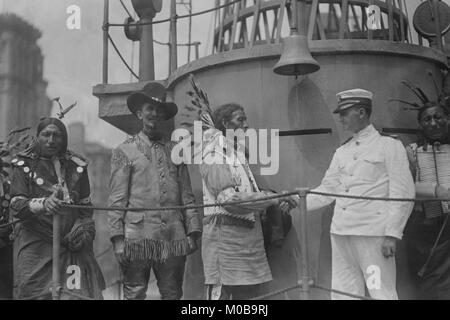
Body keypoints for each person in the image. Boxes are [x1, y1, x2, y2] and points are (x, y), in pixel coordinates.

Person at [305, 89, 415, 300]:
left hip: (372, 236)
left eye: (345, 113)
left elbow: (403, 192)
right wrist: (296, 201)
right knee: (343, 293)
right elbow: (328, 189)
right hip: (341, 234)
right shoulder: (342, 152)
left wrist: (392, 234)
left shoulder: (389, 146)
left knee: (380, 291)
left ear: (362, 112)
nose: (341, 118)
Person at [107, 82, 202, 300]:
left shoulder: (175, 151)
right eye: (150, 109)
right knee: (135, 292)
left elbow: (186, 195)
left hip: (173, 236)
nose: (155, 114)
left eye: (159, 110)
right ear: (140, 113)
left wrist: (192, 232)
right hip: (137, 238)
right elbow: (116, 200)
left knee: (173, 293)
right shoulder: (124, 150)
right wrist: (118, 240)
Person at [199, 103, 296, 300]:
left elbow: (244, 193)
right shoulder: (214, 154)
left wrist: (272, 197)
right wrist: (273, 198)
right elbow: (229, 200)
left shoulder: (236, 153)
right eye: (240, 120)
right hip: (224, 243)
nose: (246, 124)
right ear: (225, 123)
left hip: (246, 243)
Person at [9, 117, 105, 300]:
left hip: (71, 245)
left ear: (64, 139)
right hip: (35, 245)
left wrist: (82, 229)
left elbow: (85, 208)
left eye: (57, 135)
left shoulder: (77, 167)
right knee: (33, 294)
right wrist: (44, 204)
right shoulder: (23, 165)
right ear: (37, 137)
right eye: (46, 134)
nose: (51, 140)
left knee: (76, 296)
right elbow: (16, 205)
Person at [398, 82, 450, 299]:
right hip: (426, 229)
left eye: (438, 117)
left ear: (447, 120)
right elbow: (403, 188)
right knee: (431, 281)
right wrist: (437, 191)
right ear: (420, 125)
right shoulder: (412, 152)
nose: (433, 123)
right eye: (427, 119)